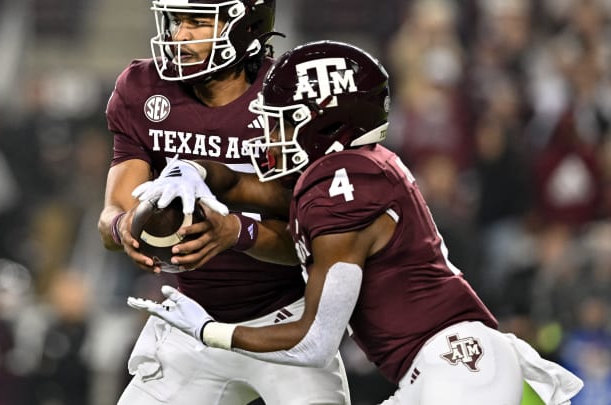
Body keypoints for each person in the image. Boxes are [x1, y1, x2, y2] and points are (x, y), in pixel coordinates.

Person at [128, 41, 584, 404]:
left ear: (324, 122)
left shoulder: (343, 184)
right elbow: (249, 189)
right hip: (445, 368)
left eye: (282, 123)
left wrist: (210, 332)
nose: (269, 137)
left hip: (455, 365)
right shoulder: (347, 171)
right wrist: (193, 169)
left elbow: (314, 342)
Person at [98, 1, 350, 404]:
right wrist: (122, 228)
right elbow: (113, 214)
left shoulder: (290, 99)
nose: (180, 36)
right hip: (192, 322)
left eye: (198, 22)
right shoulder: (143, 89)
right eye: (177, 21)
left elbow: (324, 246)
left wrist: (236, 232)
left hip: (285, 324)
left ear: (245, 25)